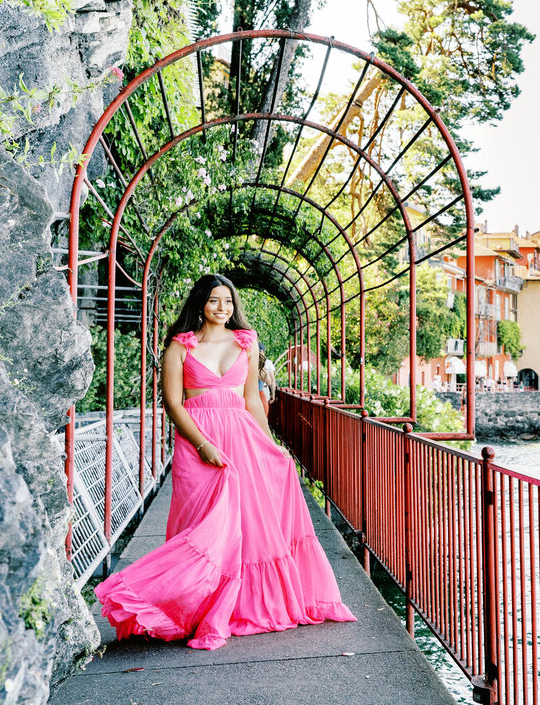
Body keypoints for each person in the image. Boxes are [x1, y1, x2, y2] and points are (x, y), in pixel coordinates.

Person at [95, 274, 355, 650]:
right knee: (203, 528)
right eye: (215, 300)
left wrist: (271, 445)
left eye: (228, 301)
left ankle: (246, 605)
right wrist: (203, 445)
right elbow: (173, 404)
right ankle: (187, 604)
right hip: (198, 442)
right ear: (200, 303)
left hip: (241, 438)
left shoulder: (245, 344)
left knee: (248, 524)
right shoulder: (179, 348)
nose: (223, 308)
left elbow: (251, 401)